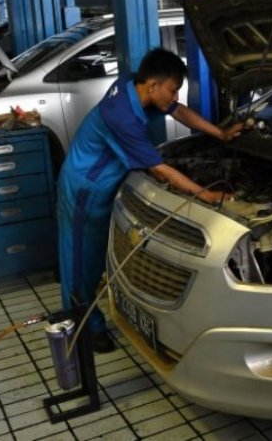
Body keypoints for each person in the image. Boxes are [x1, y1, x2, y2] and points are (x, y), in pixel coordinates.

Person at [58, 47, 243, 353]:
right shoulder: (121, 116)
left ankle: (87, 316)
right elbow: (159, 169)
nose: (174, 97)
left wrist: (220, 134)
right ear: (153, 84)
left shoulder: (135, 84)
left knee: (94, 259)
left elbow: (179, 111)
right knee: (80, 263)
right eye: (172, 90)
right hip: (84, 190)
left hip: (102, 185)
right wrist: (206, 194)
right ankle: (81, 328)